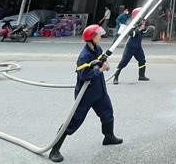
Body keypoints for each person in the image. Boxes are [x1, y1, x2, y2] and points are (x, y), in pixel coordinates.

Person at [48, 24, 122, 162]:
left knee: (107, 113)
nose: (100, 36)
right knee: (74, 122)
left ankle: (108, 137)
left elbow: (101, 61)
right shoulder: (84, 56)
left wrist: (104, 64)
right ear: (91, 38)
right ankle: (55, 149)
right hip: (85, 95)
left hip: (99, 91)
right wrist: (99, 70)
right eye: (98, 34)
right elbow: (83, 75)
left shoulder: (97, 48)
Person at [112, 8, 150, 85]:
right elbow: (132, 34)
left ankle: (141, 76)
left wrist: (144, 27)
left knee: (142, 60)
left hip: (138, 47)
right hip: (130, 47)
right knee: (123, 62)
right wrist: (139, 28)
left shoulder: (139, 22)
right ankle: (115, 77)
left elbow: (142, 32)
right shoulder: (130, 23)